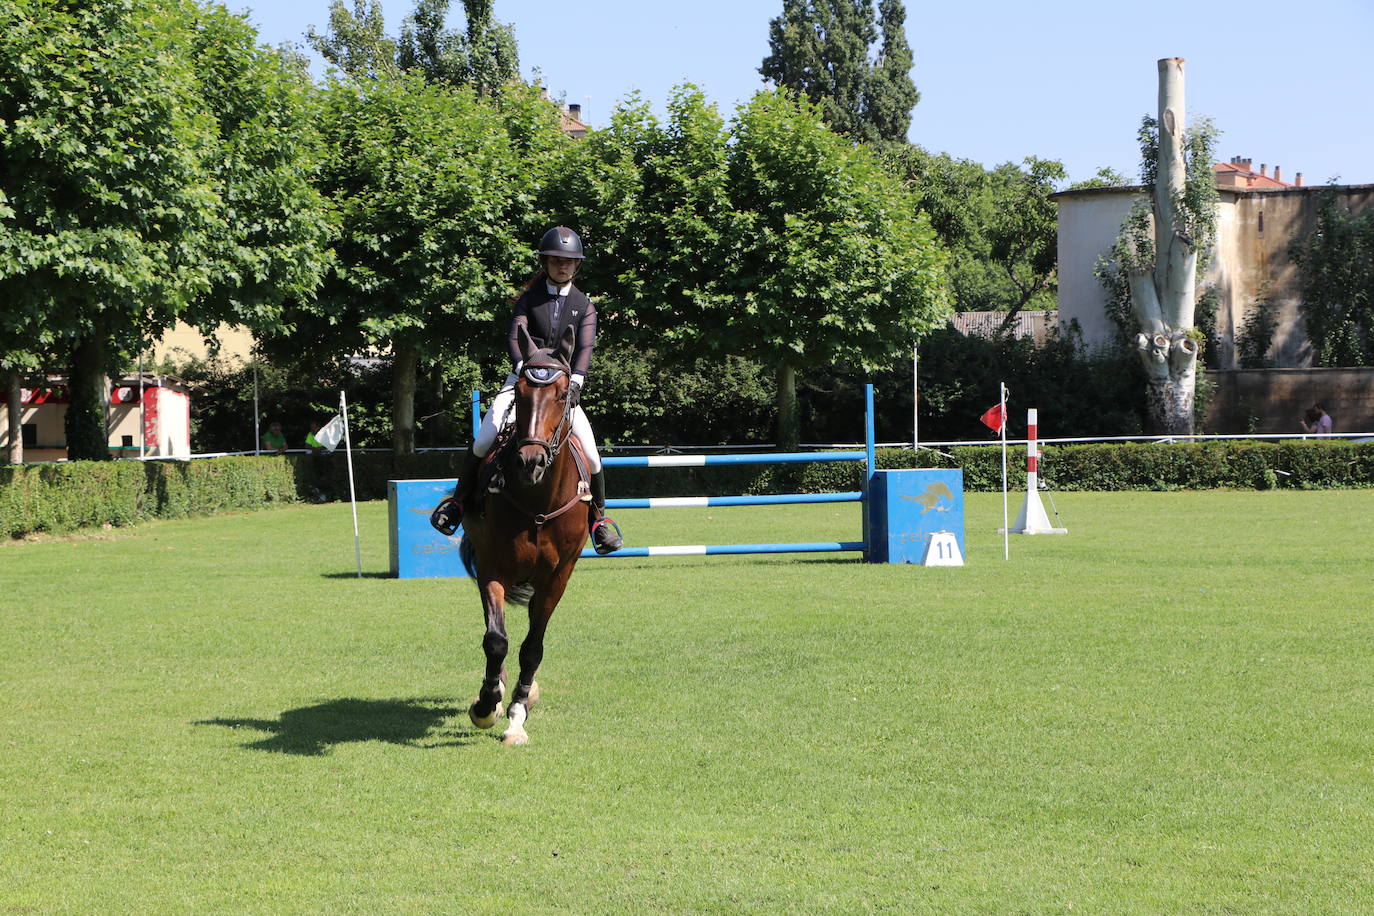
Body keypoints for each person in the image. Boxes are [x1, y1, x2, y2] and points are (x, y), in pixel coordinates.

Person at [433, 226, 622, 554]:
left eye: (569, 262)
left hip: (563, 388)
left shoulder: (584, 305)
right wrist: (526, 372)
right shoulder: (528, 300)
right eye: (556, 261)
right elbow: (514, 337)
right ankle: (458, 504)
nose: (563, 266)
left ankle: (598, 521)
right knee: (484, 437)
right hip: (522, 381)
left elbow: (585, 349)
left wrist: (575, 382)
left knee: (591, 454)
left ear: (576, 266)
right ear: (546, 262)